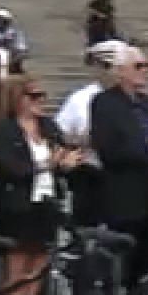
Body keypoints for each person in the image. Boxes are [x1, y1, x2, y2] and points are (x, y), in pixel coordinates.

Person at [0, 74, 80, 295]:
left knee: (40, 265)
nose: (39, 102)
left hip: (46, 203)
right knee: (17, 265)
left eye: (41, 96)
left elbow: (62, 154)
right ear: (16, 99)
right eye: (33, 96)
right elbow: (13, 168)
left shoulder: (48, 127)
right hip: (17, 205)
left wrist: (66, 163)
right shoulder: (5, 129)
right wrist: (48, 164)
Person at [89, 44, 148, 287]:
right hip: (124, 198)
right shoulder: (104, 103)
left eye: (147, 66)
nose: (145, 71)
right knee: (121, 263)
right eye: (138, 66)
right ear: (119, 71)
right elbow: (110, 151)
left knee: (145, 261)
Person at [56, 41, 125, 228]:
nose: (115, 73)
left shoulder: (134, 99)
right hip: (91, 173)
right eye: (109, 67)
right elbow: (61, 133)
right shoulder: (81, 100)